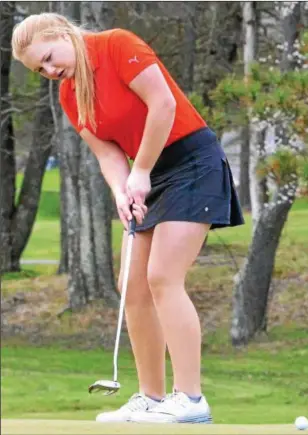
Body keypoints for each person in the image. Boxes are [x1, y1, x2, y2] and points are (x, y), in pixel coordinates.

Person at [12, 13, 244, 424]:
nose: (48, 71)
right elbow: (107, 153)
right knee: (131, 285)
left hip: (193, 161)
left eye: (48, 57)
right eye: (39, 69)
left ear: (61, 33)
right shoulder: (70, 94)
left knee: (162, 276)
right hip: (146, 174)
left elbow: (164, 105)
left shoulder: (117, 45)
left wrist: (140, 173)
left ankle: (190, 399)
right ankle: (151, 398)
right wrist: (122, 190)